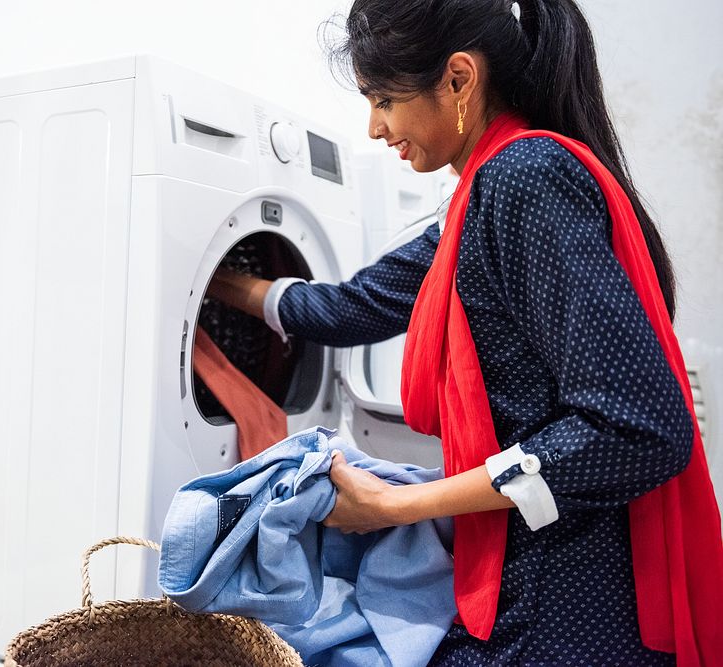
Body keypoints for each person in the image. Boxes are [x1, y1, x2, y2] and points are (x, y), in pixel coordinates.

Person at [206, 0, 723, 664]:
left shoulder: (524, 181)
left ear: (458, 79)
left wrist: (400, 504)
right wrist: (222, 281)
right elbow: (349, 308)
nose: (373, 127)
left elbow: (638, 425)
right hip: (532, 571)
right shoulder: (481, 200)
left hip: (575, 603)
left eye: (385, 98)